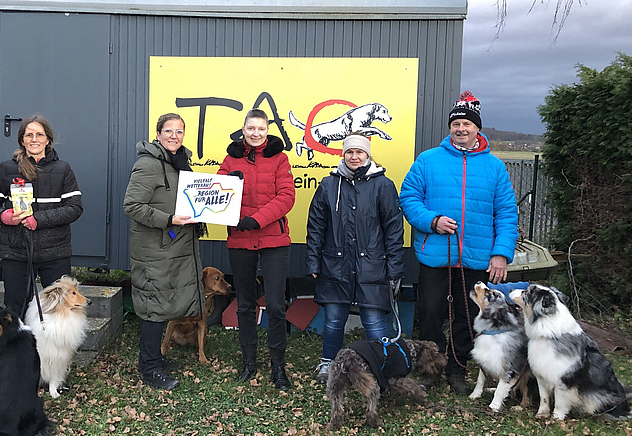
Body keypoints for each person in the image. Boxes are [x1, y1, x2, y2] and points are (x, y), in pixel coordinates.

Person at [399, 90, 518, 394]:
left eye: (467, 124)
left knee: (467, 317)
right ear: (450, 128)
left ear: (478, 128)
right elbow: (409, 198)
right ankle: (429, 368)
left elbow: (506, 212)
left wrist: (501, 254)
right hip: (436, 255)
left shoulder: (494, 167)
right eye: (457, 124)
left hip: (476, 258)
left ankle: (457, 369)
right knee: (430, 313)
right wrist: (432, 220)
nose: (461, 129)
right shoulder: (428, 160)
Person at [305, 134, 405, 383]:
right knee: (334, 319)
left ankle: (381, 366)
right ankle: (328, 363)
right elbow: (316, 226)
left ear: (368, 155)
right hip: (334, 264)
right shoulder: (329, 185)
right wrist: (313, 262)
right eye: (350, 152)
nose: (354, 156)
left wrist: (394, 268)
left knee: (374, 321)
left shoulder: (383, 185)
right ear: (343, 154)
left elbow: (393, 229)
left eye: (360, 152)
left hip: (372, 265)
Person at [123, 113, 203, 391]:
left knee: (164, 302)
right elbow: (131, 206)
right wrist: (168, 220)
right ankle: (149, 368)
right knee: (153, 306)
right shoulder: (147, 164)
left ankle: (155, 357)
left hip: (173, 246)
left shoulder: (179, 163)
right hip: (154, 248)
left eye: (179, 131)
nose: (174, 136)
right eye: (168, 131)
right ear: (157, 134)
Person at [218, 109, 296, 390]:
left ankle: (278, 366)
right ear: (244, 129)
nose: (255, 133)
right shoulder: (230, 159)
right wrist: (230, 188)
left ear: (267, 130)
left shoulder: (280, 157)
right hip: (240, 239)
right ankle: (249, 362)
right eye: (251, 128)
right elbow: (216, 195)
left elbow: (287, 196)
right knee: (246, 304)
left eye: (261, 129)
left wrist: (258, 218)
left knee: (276, 305)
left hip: (273, 239)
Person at [0, 115, 83, 320]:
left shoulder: (63, 169)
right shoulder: (6, 169)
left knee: (59, 312)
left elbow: (74, 208)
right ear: (22, 140)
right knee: (15, 310)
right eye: (29, 135)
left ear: (48, 139)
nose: (34, 139)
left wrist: (39, 219)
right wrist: (4, 216)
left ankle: (54, 353)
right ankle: (17, 351)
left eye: (39, 134)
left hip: (55, 252)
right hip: (16, 252)